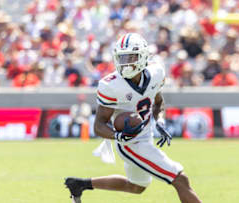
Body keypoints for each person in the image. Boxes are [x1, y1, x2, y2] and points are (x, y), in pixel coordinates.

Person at [64, 33, 202, 203]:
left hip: (146, 136)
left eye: (131, 57)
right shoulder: (111, 85)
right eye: (122, 58)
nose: (126, 63)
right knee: (180, 179)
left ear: (143, 56)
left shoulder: (156, 72)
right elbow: (98, 125)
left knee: (136, 186)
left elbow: (158, 102)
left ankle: (81, 185)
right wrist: (118, 136)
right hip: (130, 143)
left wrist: (160, 121)